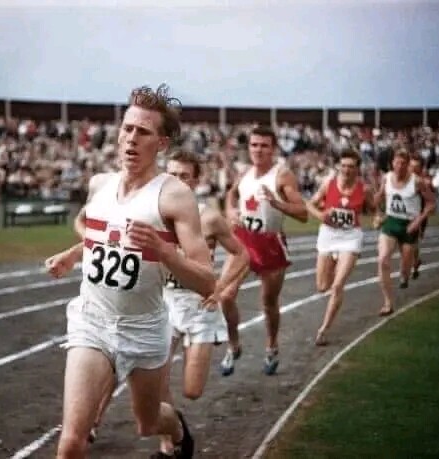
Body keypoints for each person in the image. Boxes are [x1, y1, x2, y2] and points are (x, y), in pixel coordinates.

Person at [45, 84, 215, 459]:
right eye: (127, 128)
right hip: (93, 321)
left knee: (148, 423)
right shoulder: (99, 185)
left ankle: (178, 431)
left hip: (144, 329)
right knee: (71, 441)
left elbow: (207, 281)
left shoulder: (174, 196)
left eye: (143, 132)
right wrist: (73, 255)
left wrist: (164, 252)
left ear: (162, 143)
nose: (132, 138)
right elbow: (97, 232)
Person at [152, 150, 250, 457]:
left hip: (199, 306)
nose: (177, 181)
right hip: (164, 303)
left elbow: (242, 254)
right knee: (155, 379)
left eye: (184, 176)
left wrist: (219, 288)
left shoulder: (209, 217)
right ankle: (169, 445)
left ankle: (178, 429)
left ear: (196, 181)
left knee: (192, 390)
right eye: (172, 175)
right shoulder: (153, 212)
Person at [220, 125, 308, 376]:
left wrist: (276, 203)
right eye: (254, 145)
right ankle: (233, 345)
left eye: (264, 146)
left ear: (273, 149)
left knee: (268, 302)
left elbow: (302, 213)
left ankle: (271, 346)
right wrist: (231, 211)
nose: (258, 150)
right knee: (225, 295)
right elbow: (231, 195)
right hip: (243, 241)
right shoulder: (245, 173)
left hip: (270, 244)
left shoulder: (282, 176)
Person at [306, 149, 375, 345]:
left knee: (337, 286)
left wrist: (377, 217)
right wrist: (321, 216)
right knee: (322, 287)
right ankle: (334, 262)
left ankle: (324, 330)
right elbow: (310, 204)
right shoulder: (328, 184)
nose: (346, 170)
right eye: (343, 166)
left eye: (351, 167)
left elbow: (373, 209)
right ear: (338, 166)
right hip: (328, 235)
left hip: (350, 237)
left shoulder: (364, 189)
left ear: (357, 169)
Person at [373, 148, 435, 316]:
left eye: (403, 163)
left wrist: (418, 221)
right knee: (383, 259)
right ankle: (388, 302)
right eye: (397, 162)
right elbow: (378, 197)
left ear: (408, 165)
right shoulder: (386, 178)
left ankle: (406, 274)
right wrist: (378, 214)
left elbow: (431, 203)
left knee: (405, 270)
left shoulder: (417, 181)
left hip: (409, 225)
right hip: (391, 222)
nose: (400, 166)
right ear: (392, 163)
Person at [408, 154, 434, 279]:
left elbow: (429, 202)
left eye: (416, 166)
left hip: (418, 216)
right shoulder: (404, 178)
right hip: (404, 214)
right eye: (411, 166)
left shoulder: (424, 182)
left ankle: (414, 263)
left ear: (421, 168)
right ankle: (415, 260)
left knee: (413, 241)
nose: (413, 169)